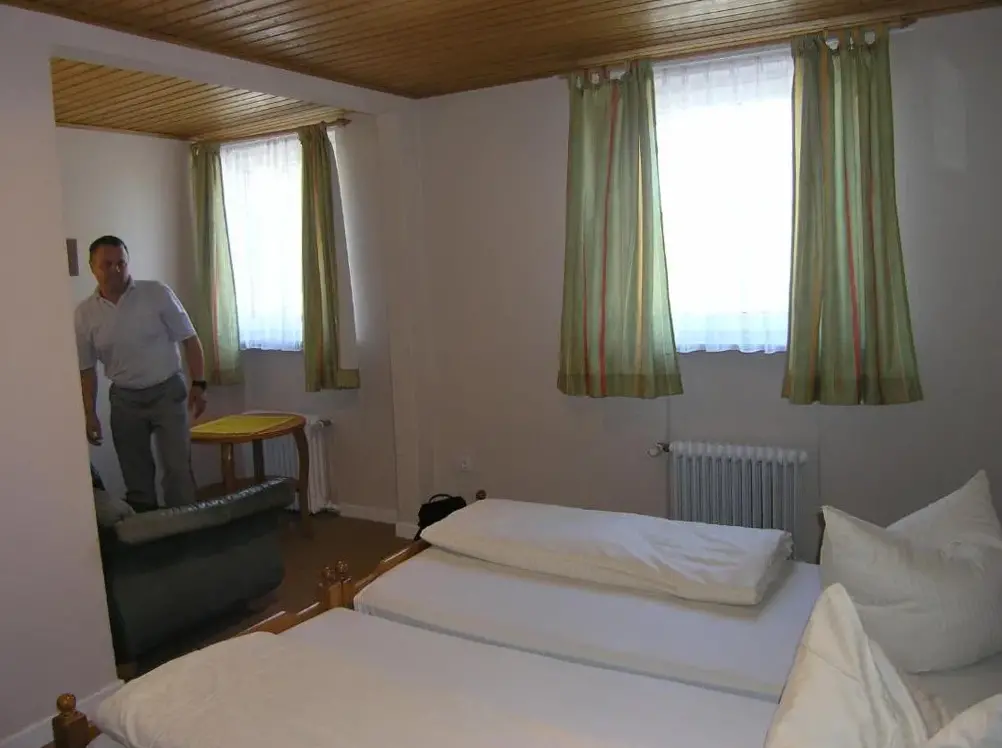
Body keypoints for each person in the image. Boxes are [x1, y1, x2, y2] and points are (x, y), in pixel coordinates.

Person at [75, 235, 208, 511]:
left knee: (178, 470)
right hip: (125, 400)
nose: (115, 270)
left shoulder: (156, 293)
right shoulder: (85, 314)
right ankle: (148, 530)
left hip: (167, 392)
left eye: (121, 263)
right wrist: (89, 413)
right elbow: (86, 368)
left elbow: (189, 338)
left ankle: (185, 529)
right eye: (107, 264)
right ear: (92, 268)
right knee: (136, 475)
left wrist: (199, 383)